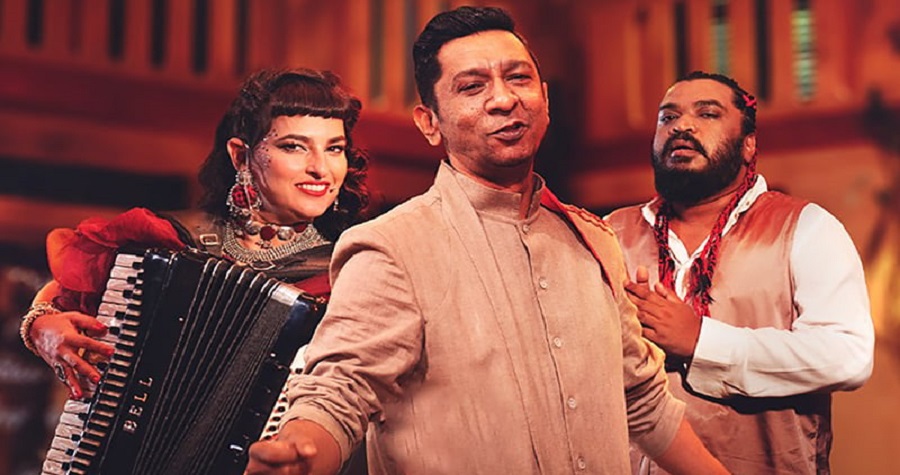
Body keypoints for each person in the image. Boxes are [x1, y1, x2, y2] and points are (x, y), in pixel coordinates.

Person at [244, 7, 728, 475]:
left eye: (518, 78)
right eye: (472, 86)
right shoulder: (391, 247)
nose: (503, 99)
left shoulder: (594, 240)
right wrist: (303, 450)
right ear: (429, 122)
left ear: (545, 99)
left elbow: (642, 400)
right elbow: (338, 392)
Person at [18, 68, 370, 471]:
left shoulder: (349, 269)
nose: (321, 169)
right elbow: (60, 292)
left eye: (335, 149)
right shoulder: (168, 239)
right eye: (294, 147)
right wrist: (40, 326)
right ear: (241, 155)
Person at [604, 71, 875, 474]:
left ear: (749, 144)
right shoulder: (610, 232)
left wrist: (701, 342)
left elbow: (847, 356)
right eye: (668, 117)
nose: (682, 126)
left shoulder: (805, 227)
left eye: (707, 114)